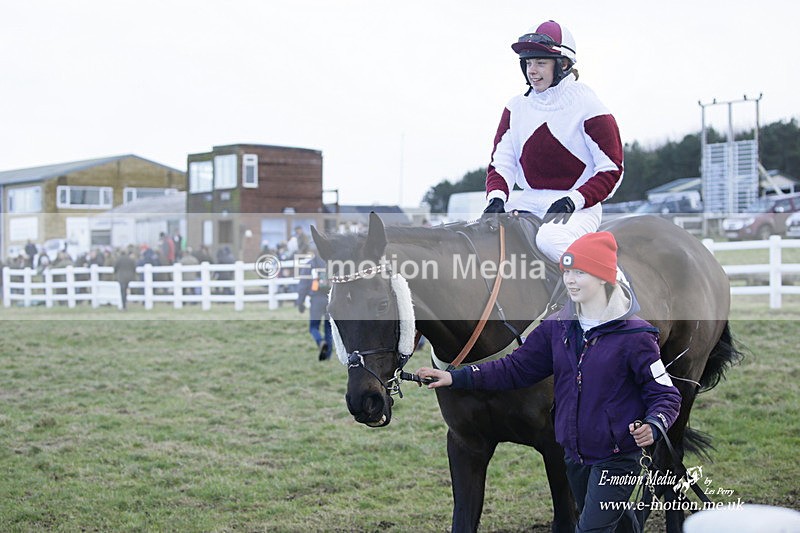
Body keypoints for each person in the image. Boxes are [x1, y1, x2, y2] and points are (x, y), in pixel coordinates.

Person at [416, 232, 681, 533]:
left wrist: (656, 422)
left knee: (591, 529)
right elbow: (515, 368)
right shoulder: (556, 326)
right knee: (621, 525)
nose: (570, 280)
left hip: (617, 457)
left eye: (580, 273)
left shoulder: (636, 336)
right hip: (576, 456)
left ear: (604, 278)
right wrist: (456, 376)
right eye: (567, 272)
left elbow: (665, 394)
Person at [482, 20, 624, 262]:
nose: (532, 71)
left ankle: (616, 286)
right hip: (529, 199)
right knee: (481, 236)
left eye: (540, 62)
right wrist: (496, 198)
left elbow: (612, 170)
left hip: (579, 207)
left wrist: (574, 199)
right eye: (528, 63)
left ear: (563, 64)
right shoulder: (515, 107)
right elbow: (501, 164)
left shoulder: (590, 107)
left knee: (550, 239)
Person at [295, 250, 333, 361]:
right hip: (329, 299)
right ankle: (327, 357)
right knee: (328, 328)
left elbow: (303, 285)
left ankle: (320, 341)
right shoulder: (331, 264)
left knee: (313, 327)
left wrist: (300, 302)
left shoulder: (310, 264)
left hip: (316, 299)